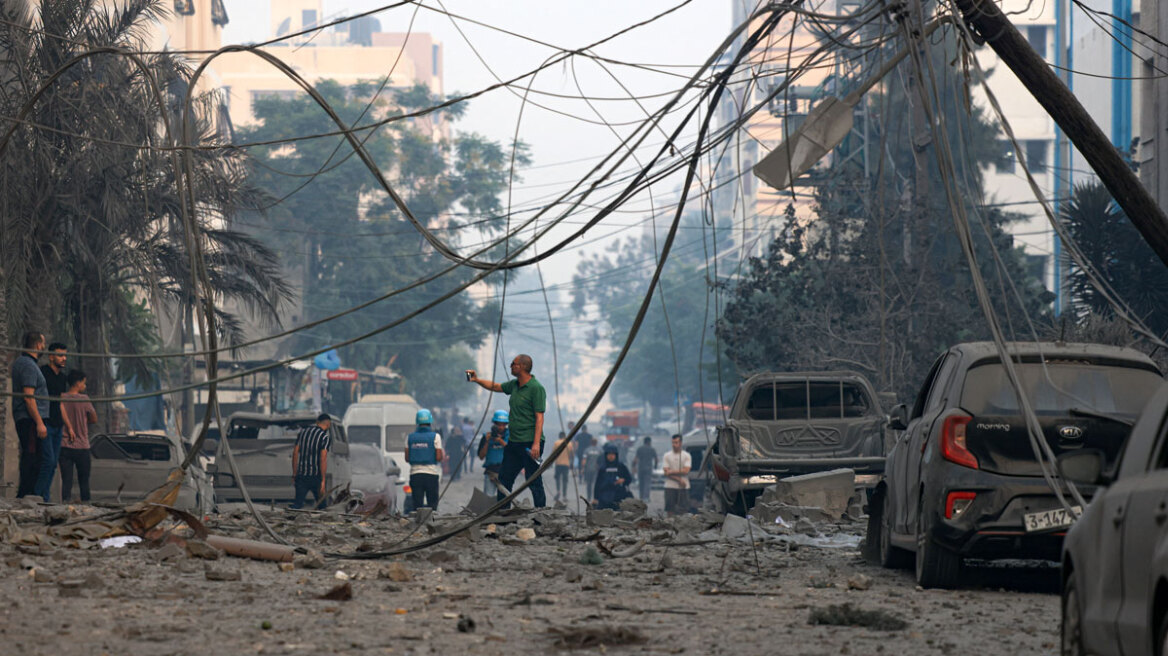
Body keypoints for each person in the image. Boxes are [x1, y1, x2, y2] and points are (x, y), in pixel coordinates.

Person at [467, 354, 547, 507]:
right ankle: (503, 512)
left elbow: (539, 417)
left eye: (514, 364)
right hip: (514, 442)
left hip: (530, 442)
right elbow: (496, 387)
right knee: (504, 478)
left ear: (522, 367)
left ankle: (540, 514)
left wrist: (536, 444)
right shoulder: (514, 385)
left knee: (533, 479)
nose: (511, 366)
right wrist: (477, 380)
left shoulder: (536, 388)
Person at [12, 331, 48, 498]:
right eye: (43, 343)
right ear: (38, 345)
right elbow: (29, 397)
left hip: (29, 418)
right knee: (33, 458)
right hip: (30, 419)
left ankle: (27, 494)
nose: (44, 347)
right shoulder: (27, 365)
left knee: (34, 456)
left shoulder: (25, 363)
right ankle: (25, 495)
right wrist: (39, 422)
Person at [35, 342, 71, 500]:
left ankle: (44, 496)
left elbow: (61, 403)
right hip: (46, 422)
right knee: (48, 461)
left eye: (65, 355)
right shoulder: (43, 372)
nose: (64, 358)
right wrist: (39, 422)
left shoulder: (63, 378)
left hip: (58, 425)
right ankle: (37, 495)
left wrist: (69, 427)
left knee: (53, 463)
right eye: (60, 355)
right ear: (51, 357)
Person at [59, 369, 97, 503]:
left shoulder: (61, 397)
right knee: (84, 480)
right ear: (78, 383)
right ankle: (86, 505)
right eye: (84, 383)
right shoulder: (84, 399)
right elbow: (94, 418)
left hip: (65, 445)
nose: (84, 386)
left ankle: (65, 504)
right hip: (82, 446)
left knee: (66, 481)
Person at [406, 408, 444, 511]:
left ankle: (418, 524)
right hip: (431, 475)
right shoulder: (436, 436)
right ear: (430, 421)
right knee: (432, 504)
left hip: (415, 475)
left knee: (417, 504)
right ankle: (430, 524)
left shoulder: (409, 437)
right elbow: (438, 457)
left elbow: (407, 458)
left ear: (417, 421)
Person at [291, 413, 332, 510]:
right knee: (322, 506)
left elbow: (295, 453)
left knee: (297, 504)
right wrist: (322, 480)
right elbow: (323, 459)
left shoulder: (303, 433)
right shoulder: (324, 438)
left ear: (317, 422)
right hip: (316, 477)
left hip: (301, 475)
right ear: (328, 424)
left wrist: (294, 473)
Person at [477, 410, 509, 497]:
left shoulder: (509, 436)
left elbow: (511, 450)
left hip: (505, 471)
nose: (501, 427)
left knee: (504, 497)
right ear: (494, 424)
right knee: (488, 497)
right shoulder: (486, 436)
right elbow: (481, 456)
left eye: (503, 425)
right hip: (491, 471)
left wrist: (500, 441)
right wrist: (487, 441)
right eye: (498, 424)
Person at [591, 443, 632, 510]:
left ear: (616, 455)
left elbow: (629, 479)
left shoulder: (621, 466)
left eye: (613, 454)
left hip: (619, 496)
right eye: (609, 454)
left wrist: (623, 480)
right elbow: (597, 484)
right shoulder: (603, 468)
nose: (611, 456)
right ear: (606, 455)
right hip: (604, 497)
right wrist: (596, 498)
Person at [663, 433, 693, 516]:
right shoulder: (667, 455)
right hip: (670, 486)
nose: (674, 445)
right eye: (673, 442)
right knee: (670, 510)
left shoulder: (686, 455)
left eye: (676, 442)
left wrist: (671, 471)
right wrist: (679, 479)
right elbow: (666, 472)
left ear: (680, 443)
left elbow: (686, 471)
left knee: (684, 509)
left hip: (684, 486)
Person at [632, 436, 658, 502]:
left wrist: (634, 466)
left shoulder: (639, 449)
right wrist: (655, 466)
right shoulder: (652, 449)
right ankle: (646, 497)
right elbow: (656, 459)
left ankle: (641, 497)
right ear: (649, 442)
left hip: (640, 468)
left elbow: (635, 459)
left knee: (641, 483)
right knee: (647, 483)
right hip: (648, 468)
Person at [552, 430, 573, 502]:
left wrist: (550, 464)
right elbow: (571, 455)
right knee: (565, 480)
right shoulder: (569, 444)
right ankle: (564, 495)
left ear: (559, 436)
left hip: (558, 464)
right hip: (566, 464)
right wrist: (572, 464)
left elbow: (553, 454)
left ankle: (558, 491)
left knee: (557, 478)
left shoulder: (556, 443)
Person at [580, 437, 602, 502]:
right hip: (597, 470)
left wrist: (582, 468)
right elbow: (602, 460)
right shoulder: (600, 450)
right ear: (596, 443)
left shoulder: (587, 450)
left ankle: (589, 497)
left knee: (589, 484)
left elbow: (584, 460)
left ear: (591, 442)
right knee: (596, 484)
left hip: (588, 470)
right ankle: (596, 497)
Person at [444, 418, 464, 483]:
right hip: (453, 454)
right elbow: (447, 446)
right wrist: (447, 453)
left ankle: (457, 475)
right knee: (452, 465)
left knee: (457, 465)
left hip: (458, 453)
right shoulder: (451, 438)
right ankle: (453, 476)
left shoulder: (459, 437)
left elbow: (464, 442)